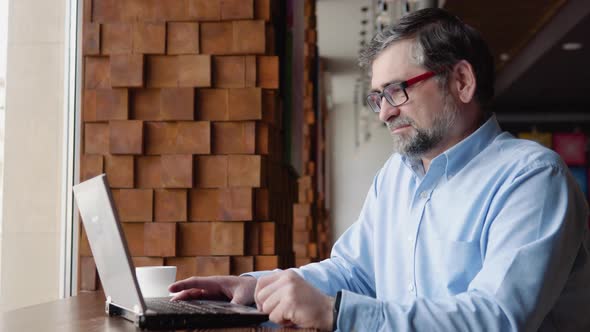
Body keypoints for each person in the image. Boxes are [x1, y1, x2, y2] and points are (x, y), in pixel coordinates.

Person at [169, 8, 590, 331]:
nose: (385, 113)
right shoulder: (395, 176)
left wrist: (339, 314)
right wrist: (255, 288)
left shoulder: (533, 177)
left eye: (398, 91)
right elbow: (354, 271)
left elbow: (496, 317)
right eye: (377, 97)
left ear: (462, 81)